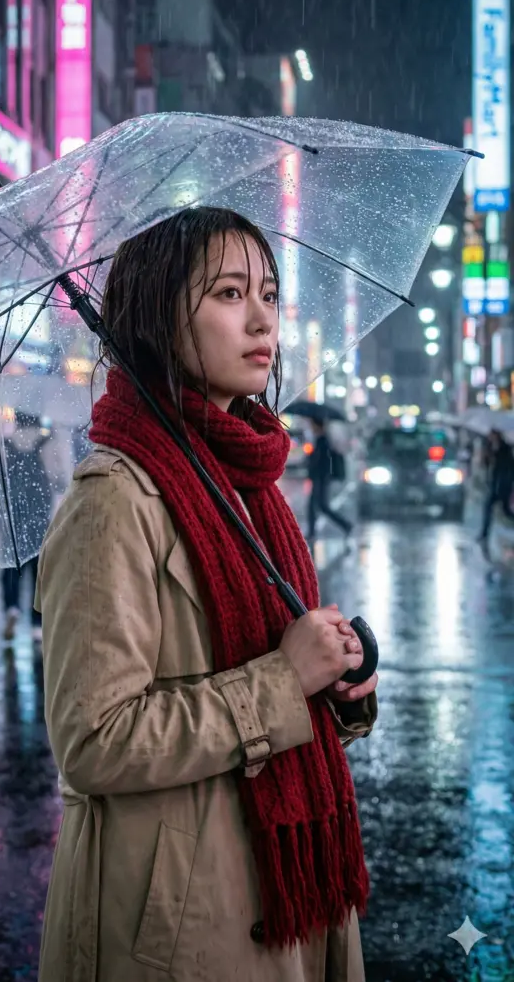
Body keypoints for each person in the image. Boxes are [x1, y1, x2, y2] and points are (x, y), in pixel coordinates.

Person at [35, 207, 379, 982]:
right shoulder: (114, 500)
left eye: (268, 291)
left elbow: (274, 684)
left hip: (288, 892)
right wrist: (284, 681)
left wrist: (336, 682)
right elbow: (93, 739)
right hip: (181, 929)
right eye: (228, 293)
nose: (263, 318)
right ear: (158, 319)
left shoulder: (248, 483)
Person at [1, 413, 52, 641]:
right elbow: (59, 478)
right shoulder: (46, 444)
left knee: (11, 567)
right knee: (37, 571)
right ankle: (36, 623)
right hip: (39, 517)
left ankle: (12, 607)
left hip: (15, 517)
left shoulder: (7, 445)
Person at [306, 418, 353, 543]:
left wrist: (313, 461)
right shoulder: (321, 440)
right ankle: (312, 533)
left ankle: (346, 525)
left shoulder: (323, 441)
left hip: (321, 478)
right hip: (319, 478)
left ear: (318, 426)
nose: (311, 427)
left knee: (322, 507)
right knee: (313, 506)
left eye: (312, 425)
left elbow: (323, 462)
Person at [479, 427, 514, 547]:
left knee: (506, 510)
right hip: (494, 484)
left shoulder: (506, 448)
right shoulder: (489, 447)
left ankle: (484, 534)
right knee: (489, 508)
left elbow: (509, 466)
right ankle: (484, 534)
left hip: (504, 484)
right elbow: (486, 464)